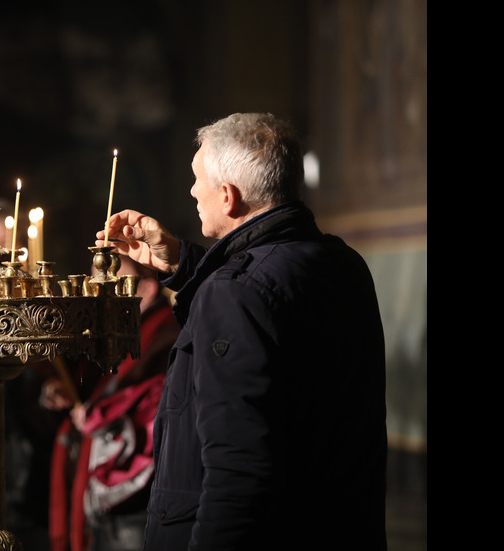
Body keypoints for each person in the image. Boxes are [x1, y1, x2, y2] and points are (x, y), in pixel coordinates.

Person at [97, 113, 387, 550]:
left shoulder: (233, 292)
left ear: (228, 196)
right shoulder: (341, 263)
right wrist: (181, 261)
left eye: (197, 180)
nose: (193, 191)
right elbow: (268, 285)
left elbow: (239, 467)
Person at [41, 255, 181, 551]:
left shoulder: (168, 332)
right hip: (96, 487)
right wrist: (64, 391)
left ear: (149, 288)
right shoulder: (107, 334)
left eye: (116, 284)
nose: (104, 295)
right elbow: (86, 387)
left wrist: (101, 413)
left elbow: (158, 403)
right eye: (97, 284)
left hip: (136, 491)